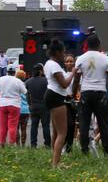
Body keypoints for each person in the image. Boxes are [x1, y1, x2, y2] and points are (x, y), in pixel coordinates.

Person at [72, 35, 108, 157]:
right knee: (104, 124)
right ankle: (107, 152)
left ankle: (84, 152)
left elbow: (76, 79)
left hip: (86, 93)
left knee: (84, 124)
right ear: (99, 44)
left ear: (87, 45)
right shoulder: (105, 59)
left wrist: (73, 94)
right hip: (101, 94)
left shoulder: (80, 59)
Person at [44, 39, 75, 167]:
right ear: (57, 52)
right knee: (63, 133)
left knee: (56, 132)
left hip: (52, 96)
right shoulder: (55, 66)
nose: (64, 55)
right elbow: (64, 84)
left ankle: (55, 161)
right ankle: (56, 164)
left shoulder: (48, 63)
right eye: (63, 52)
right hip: (56, 97)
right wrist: (73, 72)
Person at [0, 64, 27, 146]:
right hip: (14, 104)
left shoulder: (0, 79)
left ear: (7, 71)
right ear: (14, 72)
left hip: (2, 104)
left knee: (3, 126)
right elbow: (25, 92)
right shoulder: (18, 81)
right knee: (12, 126)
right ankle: (11, 144)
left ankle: (2, 144)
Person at [26, 63, 51, 148]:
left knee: (34, 126)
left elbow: (27, 94)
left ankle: (33, 144)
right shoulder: (46, 81)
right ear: (41, 71)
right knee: (46, 126)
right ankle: (47, 144)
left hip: (33, 106)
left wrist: (29, 104)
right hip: (44, 106)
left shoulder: (28, 81)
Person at [63, 54, 78, 153]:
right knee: (67, 125)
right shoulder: (63, 75)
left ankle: (69, 147)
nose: (69, 63)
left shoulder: (77, 75)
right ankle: (62, 146)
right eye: (67, 61)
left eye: (71, 61)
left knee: (73, 126)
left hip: (75, 102)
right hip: (64, 102)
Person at [15, 70, 29, 146]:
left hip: (16, 109)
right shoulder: (26, 85)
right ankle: (23, 145)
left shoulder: (14, 85)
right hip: (25, 110)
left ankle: (18, 145)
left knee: (16, 128)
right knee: (23, 129)